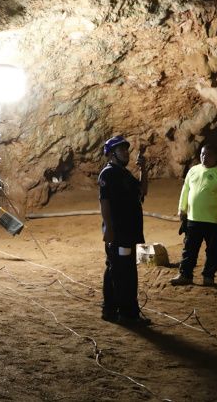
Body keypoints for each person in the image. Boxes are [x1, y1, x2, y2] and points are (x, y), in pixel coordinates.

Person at [97, 135, 150, 325]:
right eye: (122, 150)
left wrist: (144, 169)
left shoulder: (125, 174)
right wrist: (109, 229)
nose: (126, 153)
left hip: (129, 232)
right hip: (119, 233)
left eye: (127, 150)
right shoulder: (108, 173)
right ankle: (126, 313)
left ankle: (111, 310)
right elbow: (105, 202)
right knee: (122, 271)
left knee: (118, 269)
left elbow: (142, 191)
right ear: (111, 154)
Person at [170, 144, 217, 287]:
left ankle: (209, 276)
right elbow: (185, 190)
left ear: (216, 157)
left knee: (213, 251)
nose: (204, 157)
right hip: (193, 219)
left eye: (209, 155)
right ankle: (185, 274)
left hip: (214, 221)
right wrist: (182, 208)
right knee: (189, 249)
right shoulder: (193, 171)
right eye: (203, 154)